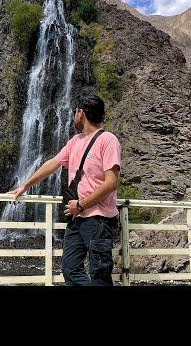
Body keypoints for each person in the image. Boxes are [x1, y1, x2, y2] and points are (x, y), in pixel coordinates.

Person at [8, 93, 121, 286]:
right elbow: (52, 164)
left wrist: (81, 204)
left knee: (100, 274)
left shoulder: (108, 140)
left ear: (81, 113)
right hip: (76, 218)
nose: (73, 115)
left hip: (98, 219)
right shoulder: (75, 141)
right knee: (69, 270)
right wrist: (24, 186)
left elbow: (111, 183)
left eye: (75, 111)